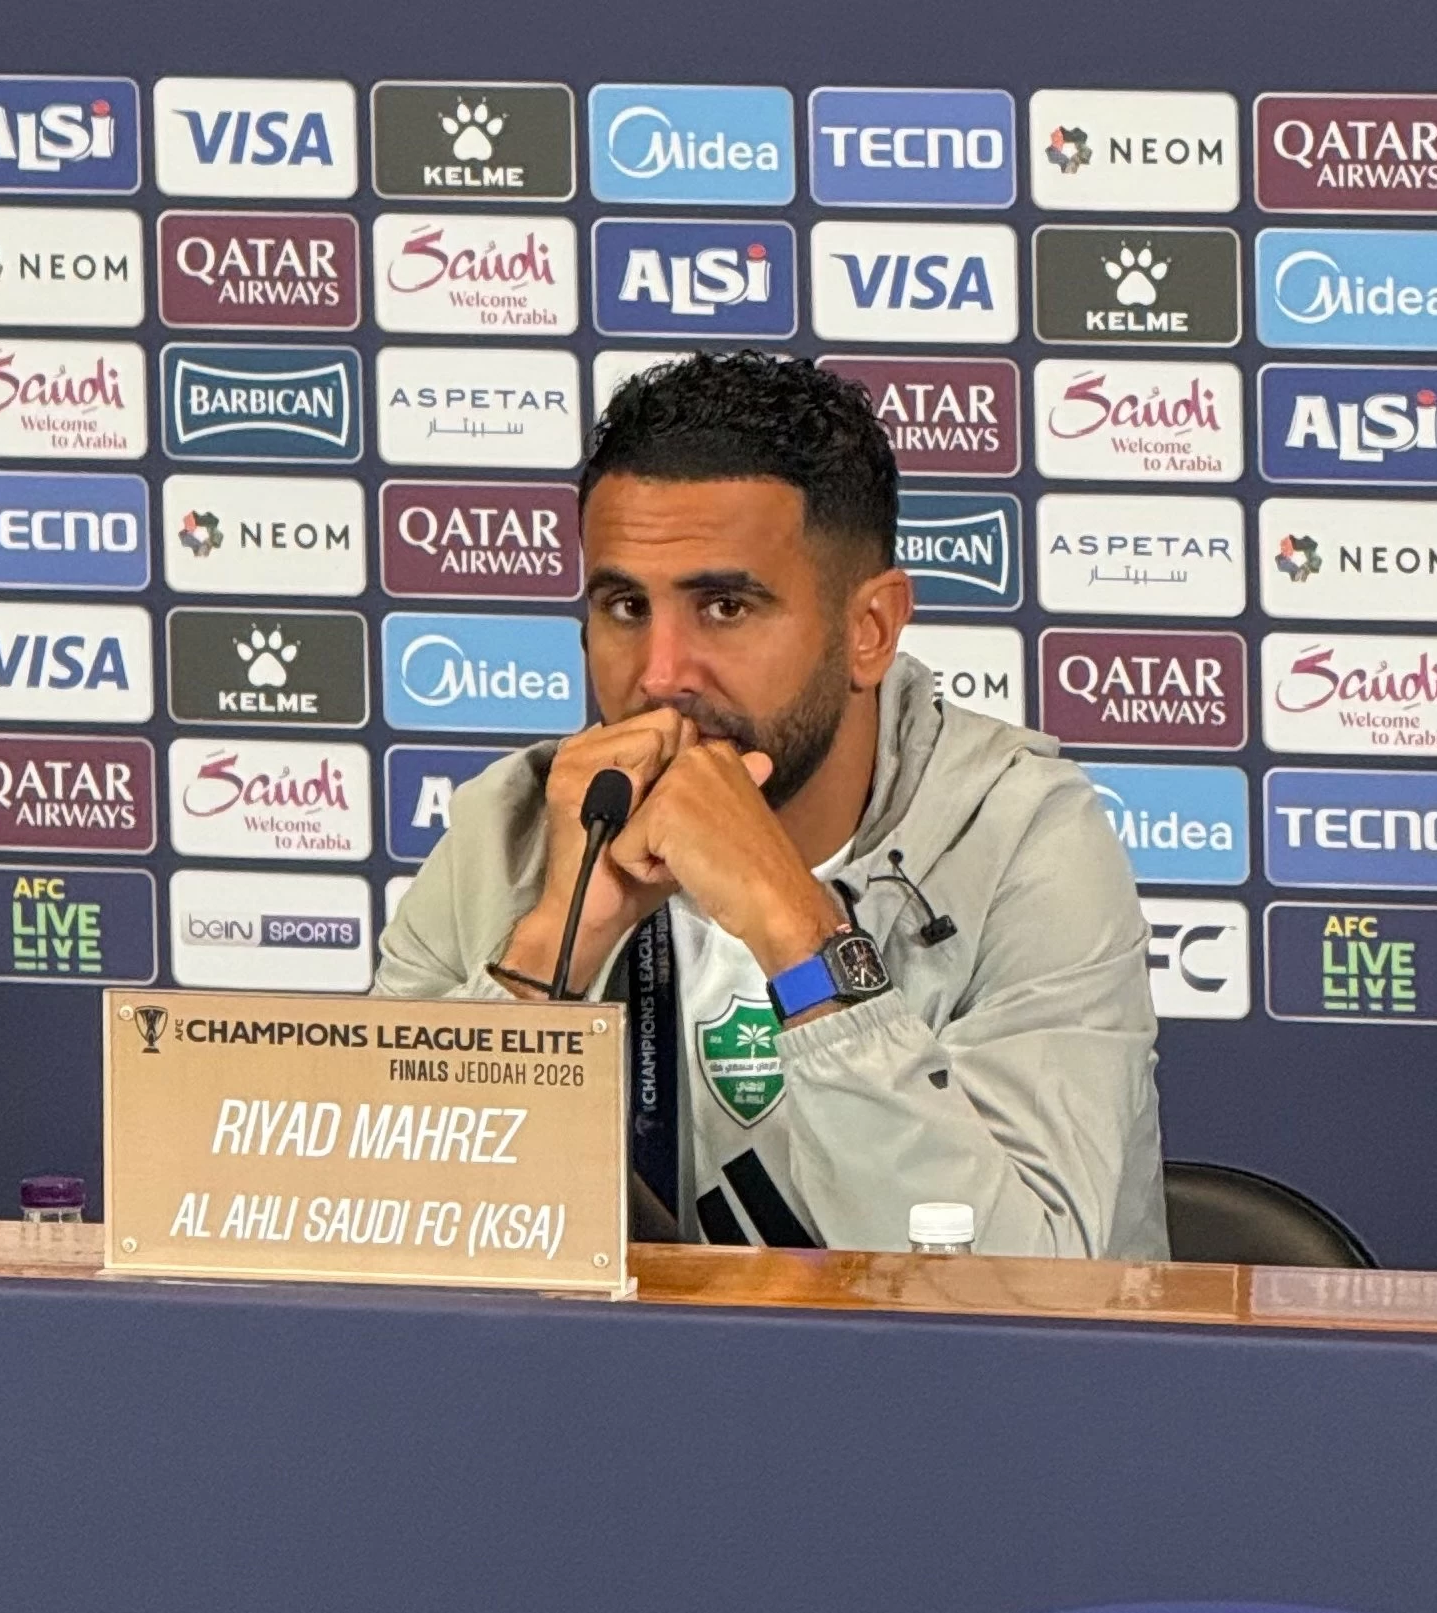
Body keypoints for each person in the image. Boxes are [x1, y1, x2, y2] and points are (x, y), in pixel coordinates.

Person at [378, 350, 1167, 1258]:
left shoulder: (1021, 835)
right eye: (626, 606)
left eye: (725, 607)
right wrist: (557, 943)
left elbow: (1030, 1283)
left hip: (912, 1359)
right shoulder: (513, 829)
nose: (660, 674)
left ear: (869, 629)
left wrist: (799, 932)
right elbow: (372, 1241)